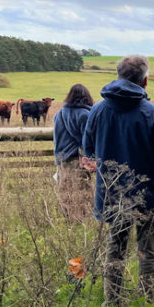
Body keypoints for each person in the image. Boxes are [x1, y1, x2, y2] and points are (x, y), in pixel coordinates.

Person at [83, 55, 154, 305]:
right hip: (150, 192)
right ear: (145, 81)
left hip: (112, 190)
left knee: (115, 246)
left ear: (118, 75)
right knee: (148, 248)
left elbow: (88, 148)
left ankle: (112, 299)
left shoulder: (97, 110)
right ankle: (148, 298)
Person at [52, 83, 94, 222]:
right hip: (78, 159)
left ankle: (69, 219)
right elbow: (87, 141)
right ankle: (81, 221)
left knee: (65, 190)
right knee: (83, 190)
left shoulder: (59, 114)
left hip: (62, 158)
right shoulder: (86, 115)